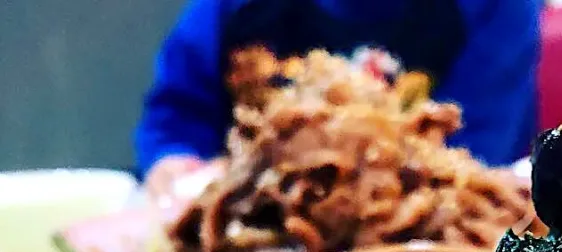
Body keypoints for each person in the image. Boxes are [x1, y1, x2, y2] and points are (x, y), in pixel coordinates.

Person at [136, 0, 541, 201]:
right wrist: (175, 166)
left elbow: (478, 155)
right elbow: (175, 119)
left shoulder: (492, 8)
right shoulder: (231, 10)